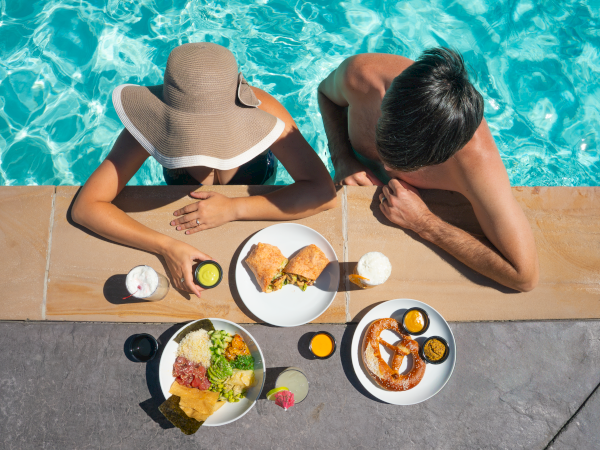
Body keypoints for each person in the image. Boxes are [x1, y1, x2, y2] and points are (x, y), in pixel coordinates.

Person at [72, 43, 336, 298]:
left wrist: (235, 208)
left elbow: (324, 193)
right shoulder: (150, 120)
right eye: (189, 130)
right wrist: (167, 247)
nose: (207, 140)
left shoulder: (263, 110)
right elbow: (86, 207)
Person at [318, 48, 538, 292]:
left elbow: (523, 277)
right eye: (383, 146)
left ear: (447, 154)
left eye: (409, 165)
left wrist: (425, 223)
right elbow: (326, 94)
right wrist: (342, 158)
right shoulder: (361, 76)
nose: (388, 167)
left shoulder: (476, 164)